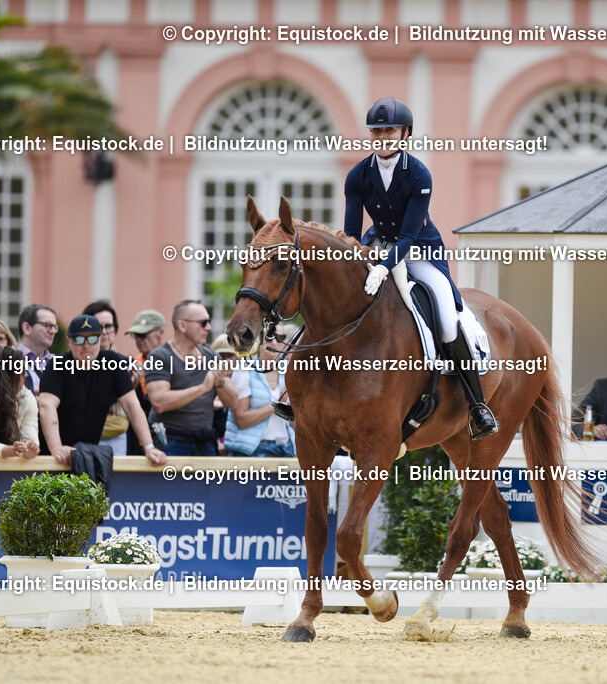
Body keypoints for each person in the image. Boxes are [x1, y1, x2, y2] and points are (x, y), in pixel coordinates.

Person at [272, 97, 498, 439]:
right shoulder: (358, 175)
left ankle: (478, 404)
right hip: (374, 246)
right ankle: (295, 393)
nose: (382, 137)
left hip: (419, 250)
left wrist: (384, 268)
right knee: (331, 306)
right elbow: (350, 232)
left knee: (447, 318)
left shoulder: (418, 174)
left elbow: (408, 235)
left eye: (389, 131)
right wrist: (355, 261)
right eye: (376, 132)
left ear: (405, 134)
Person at [39, 315, 166, 466]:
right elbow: (47, 406)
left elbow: (132, 406)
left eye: (92, 339)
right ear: (70, 341)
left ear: (100, 339)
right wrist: (56, 447)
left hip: (86, 454)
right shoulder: (57, 365)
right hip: (50, 456)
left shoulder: (111, 363)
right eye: (79, 339)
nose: (86, 345)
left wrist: (149, 447)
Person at [145, 300, 237, 456]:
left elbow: (233, 402)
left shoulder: (211, 356)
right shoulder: (160, 356)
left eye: (209, 322)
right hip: (170, 441)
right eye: (203, 323)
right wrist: (203, 388)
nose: (209, 327)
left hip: (204, 441)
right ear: (182, 326)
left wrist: (219, 382)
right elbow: (159, 402)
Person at [224, 324, 296, 458]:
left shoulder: (291, 371)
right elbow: (241, 420)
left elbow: (295, 424)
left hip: (285, 449)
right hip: (251, 452)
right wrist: (276, 406)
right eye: (269, 337)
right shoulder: (245, 369)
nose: (274, 342)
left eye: (279, 337)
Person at [82, 300, 129, 456]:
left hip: (117, 435)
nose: (104, 331)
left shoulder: (126, 363)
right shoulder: (76, 362)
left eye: (108, 326)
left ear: (115, 329)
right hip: (83, 436)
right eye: (98, 326)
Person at [125, 309, 167, 454]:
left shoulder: (173, 362)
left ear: (161, 332)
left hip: (167, 437)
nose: (139, 340)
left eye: (143, 335)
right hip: (137, 439)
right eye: (136, 335)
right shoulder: (132, 365)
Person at [17, 303, 58, 394]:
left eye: (54, 327)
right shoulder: (9, 361)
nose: (53, 331)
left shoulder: (59, 362)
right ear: (27, 328)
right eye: (47, 325)